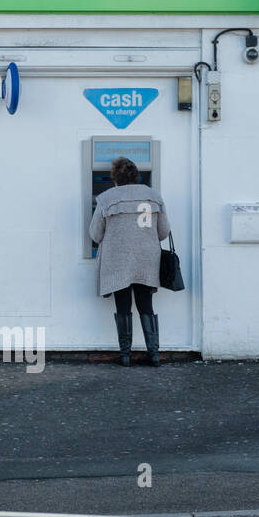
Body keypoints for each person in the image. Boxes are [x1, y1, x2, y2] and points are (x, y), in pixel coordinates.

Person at [89, 157, 170, 367]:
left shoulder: (106, 198)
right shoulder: (153, 196)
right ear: (137, 176)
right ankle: (154, 354)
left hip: (118, 260)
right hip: (147, 258)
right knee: (146, 305)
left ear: (115, 178)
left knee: (123, 305)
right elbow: (164, 232)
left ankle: (125, 355)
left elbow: (95, 234)